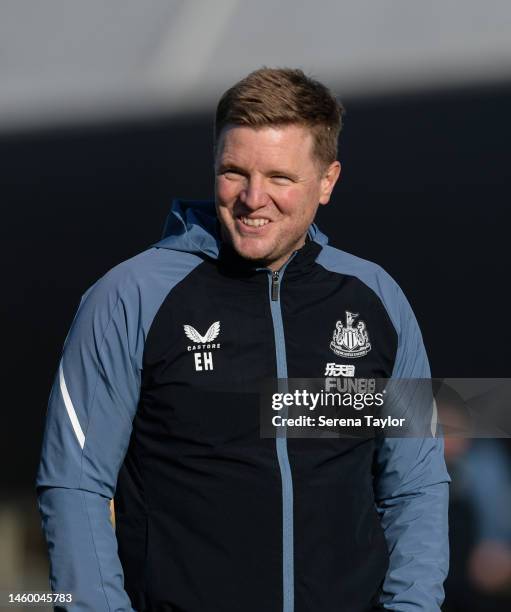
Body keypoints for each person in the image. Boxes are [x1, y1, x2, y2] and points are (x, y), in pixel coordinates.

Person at [36, 67, 450, 611]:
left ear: (327, 181)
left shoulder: (377, 299)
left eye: (280, 177)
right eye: (234, 172)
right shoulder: (126, 298)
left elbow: (414, 485)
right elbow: (74, 486)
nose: (254, 198)